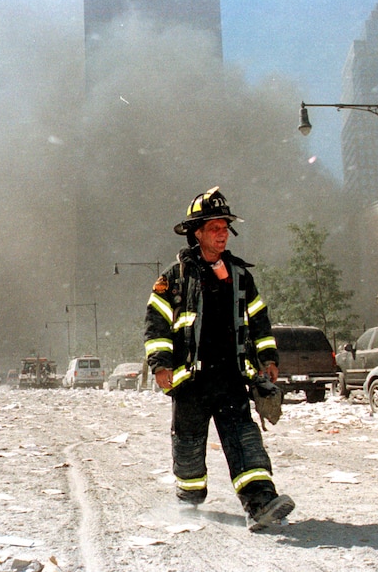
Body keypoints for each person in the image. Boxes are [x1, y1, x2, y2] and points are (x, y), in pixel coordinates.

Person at [144, 186, 295, 531]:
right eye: (215, 228)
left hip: (230, 377)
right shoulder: (173, 279)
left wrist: (268, 356)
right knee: (189, 444)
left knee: (245, 439)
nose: (222, 234)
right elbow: (156, 324)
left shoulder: (241, 276)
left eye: (225, 228)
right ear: (198, 233)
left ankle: (260, 503)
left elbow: (259, 320)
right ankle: (189, 499)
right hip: (190, 380)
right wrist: (161, 364)